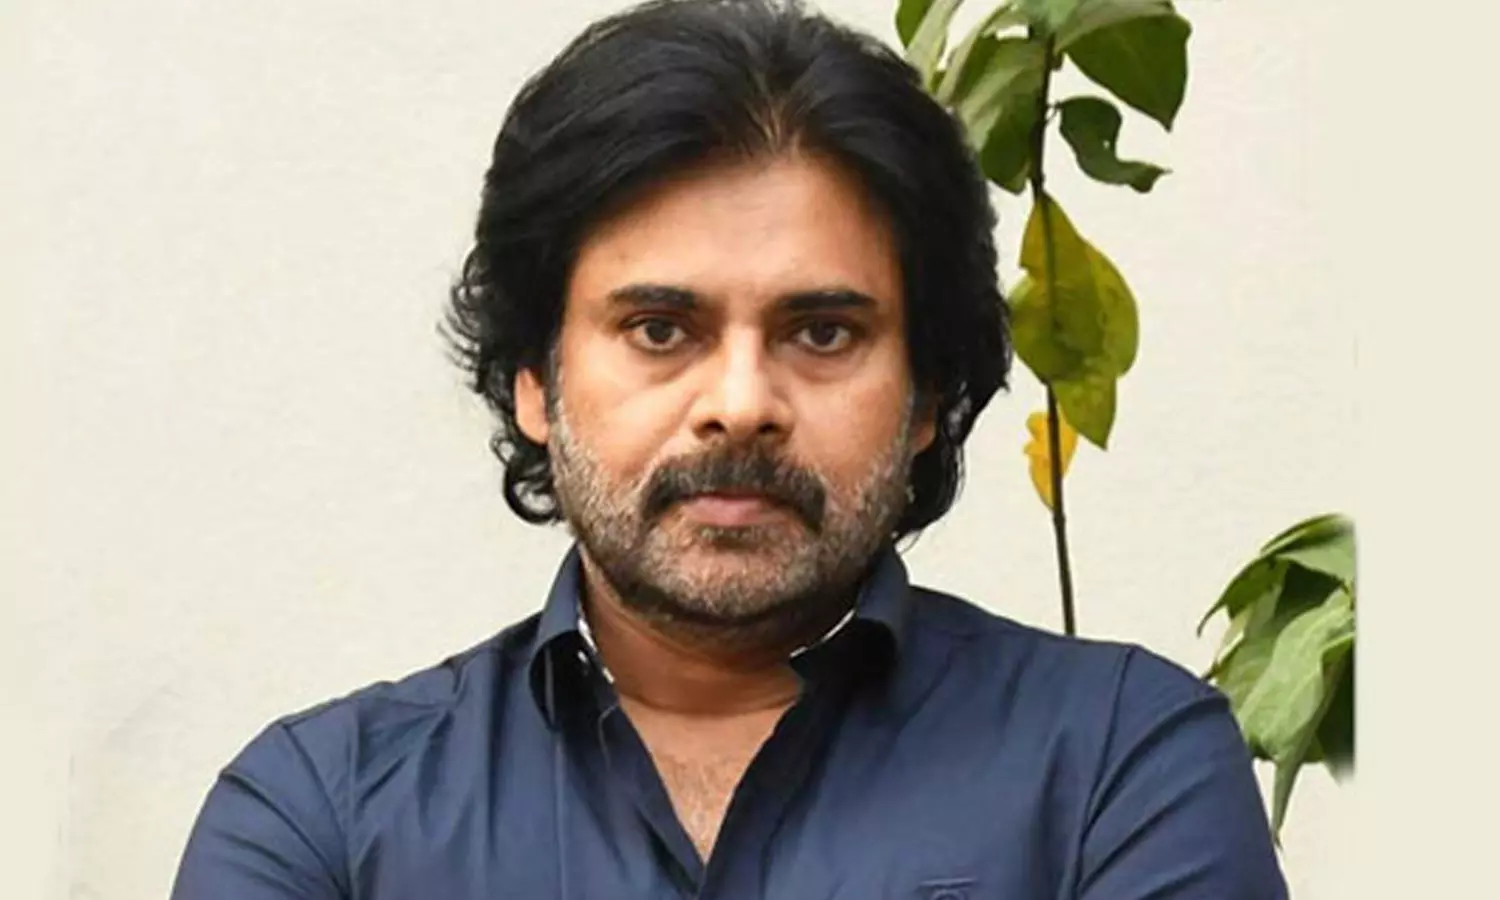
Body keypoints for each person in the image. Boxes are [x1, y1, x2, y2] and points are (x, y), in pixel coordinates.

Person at [170, 0, 1287, 897]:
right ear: (534, 382)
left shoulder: (1119, 769)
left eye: (823, 332)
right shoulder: (324, 816)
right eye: (661, 330)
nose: (742, 404)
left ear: (928, 396)